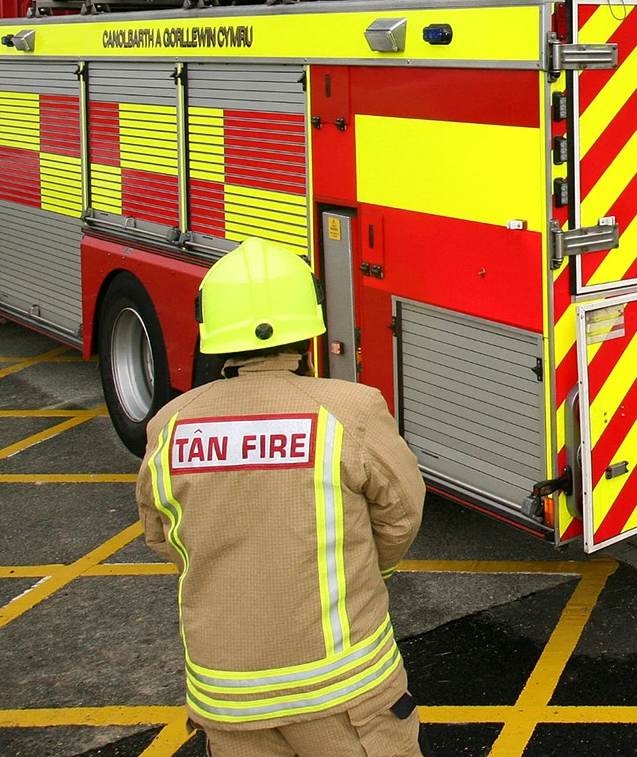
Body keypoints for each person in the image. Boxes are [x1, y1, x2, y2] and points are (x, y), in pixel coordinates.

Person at [136, 238, 428, 756]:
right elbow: (401, 517)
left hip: (227, 700)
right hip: (343, 693)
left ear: (213, 330)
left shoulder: (171, 425)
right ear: (308, 325)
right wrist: (361, 569)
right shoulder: (350, 412)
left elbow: (164, 537)